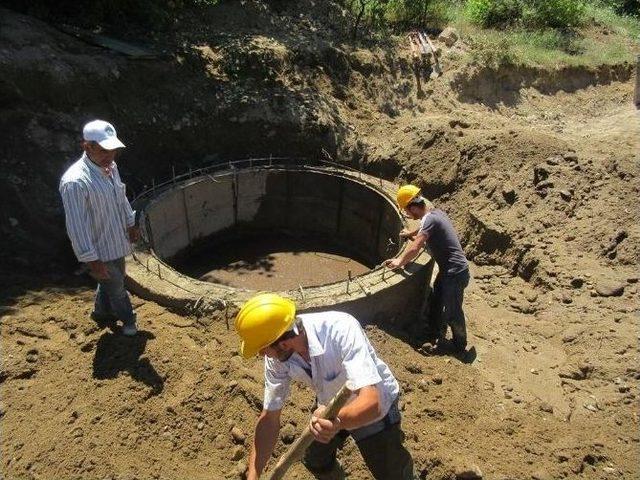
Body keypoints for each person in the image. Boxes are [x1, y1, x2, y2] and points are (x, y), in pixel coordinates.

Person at [234, 293, 414, 480]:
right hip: (328, 407)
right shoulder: (278, 357)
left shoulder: (340, 329)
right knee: (315, 459)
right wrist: (253, 475)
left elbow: (373, 403)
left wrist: (336, 422)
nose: (263, 355)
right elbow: (270, 418)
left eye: (264, 349)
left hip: (373, 409)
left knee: (392, 473)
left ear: (283, 342)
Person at [59, 119, 140, 336]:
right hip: (98, 250)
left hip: (115, 241)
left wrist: (130, 223)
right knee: (118, 288)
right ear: (87, 146)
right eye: (104, 150)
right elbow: (77, 227)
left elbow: (121, 197)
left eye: (113, 151)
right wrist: (92, 260)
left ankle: (100, 312)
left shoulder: (110, 167)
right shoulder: (76, 182)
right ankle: (129, 322)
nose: (110, 156)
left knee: (110, 281)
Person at [384, 185, 470, 353]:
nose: (408, 215)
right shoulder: (435, 213)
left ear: (414, 207)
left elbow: (416, 246)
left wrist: (399, 261)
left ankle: (459, 346)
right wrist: (410, 232)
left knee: (453, 310)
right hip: (449, 270)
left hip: (455, 273)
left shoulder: (430, 219)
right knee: (437, 297)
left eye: (408, 212)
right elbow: (423, 229)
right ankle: (435, 330)